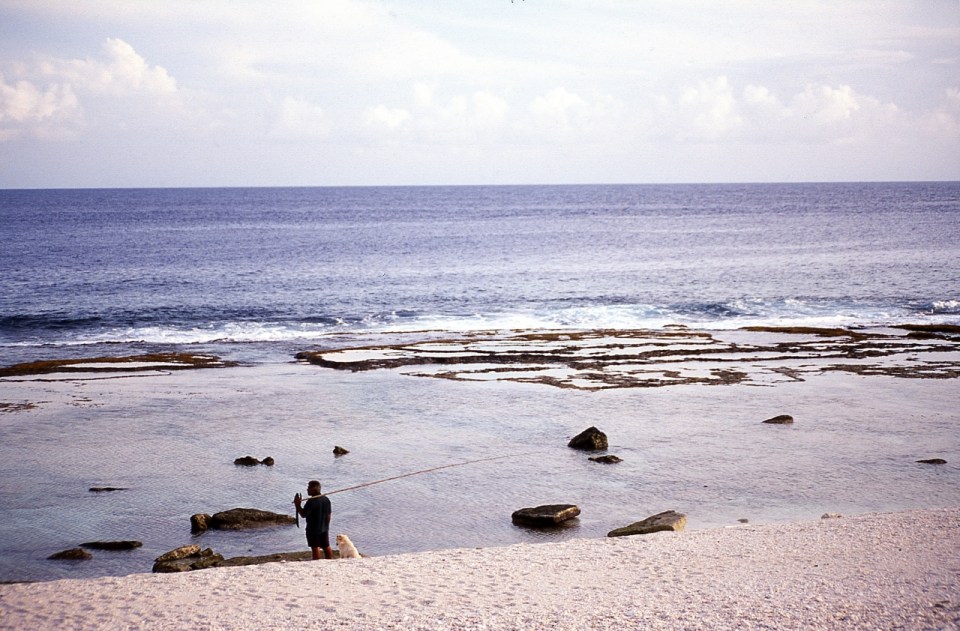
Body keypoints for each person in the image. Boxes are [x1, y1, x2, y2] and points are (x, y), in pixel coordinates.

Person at [294, 480, 332, 559]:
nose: (307, 489)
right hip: (324, 528)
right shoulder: (326, 499)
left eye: (308, 488)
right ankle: (330, 560)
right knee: (326, 546)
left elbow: (303, 514)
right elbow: (329, 515)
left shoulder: (311, 502)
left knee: (315, 547)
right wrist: (326, 526)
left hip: (313, 529)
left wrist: (297, 505)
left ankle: (316, 563)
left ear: (313, 489)